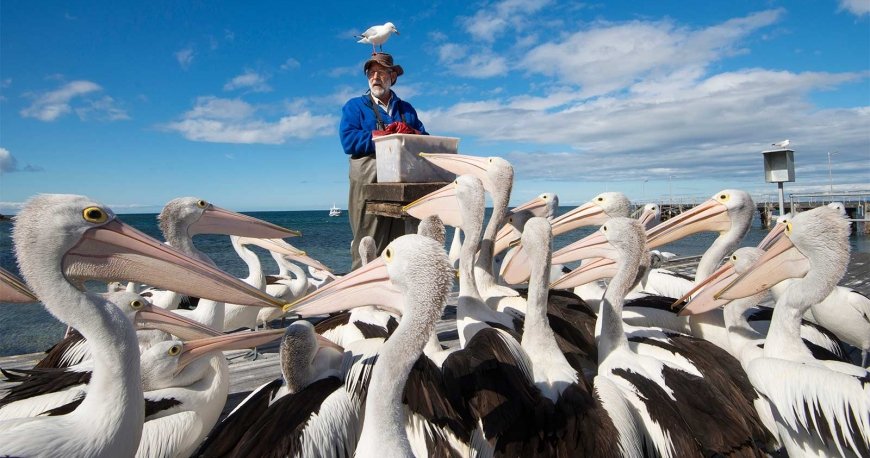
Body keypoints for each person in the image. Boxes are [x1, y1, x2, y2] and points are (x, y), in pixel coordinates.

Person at [339, 53, 428, 270]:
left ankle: (391, 295)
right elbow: (348, 141)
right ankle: (361, 297)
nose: (375, 77)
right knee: (367, 241)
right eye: (371, 73)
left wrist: (411, 132)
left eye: (381, 72)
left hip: (401, 184)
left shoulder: (407, 109)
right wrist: (383, 136)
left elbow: (426, 140)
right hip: (368, 180)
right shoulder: (354, 106)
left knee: (400, 243)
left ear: (392, 76)